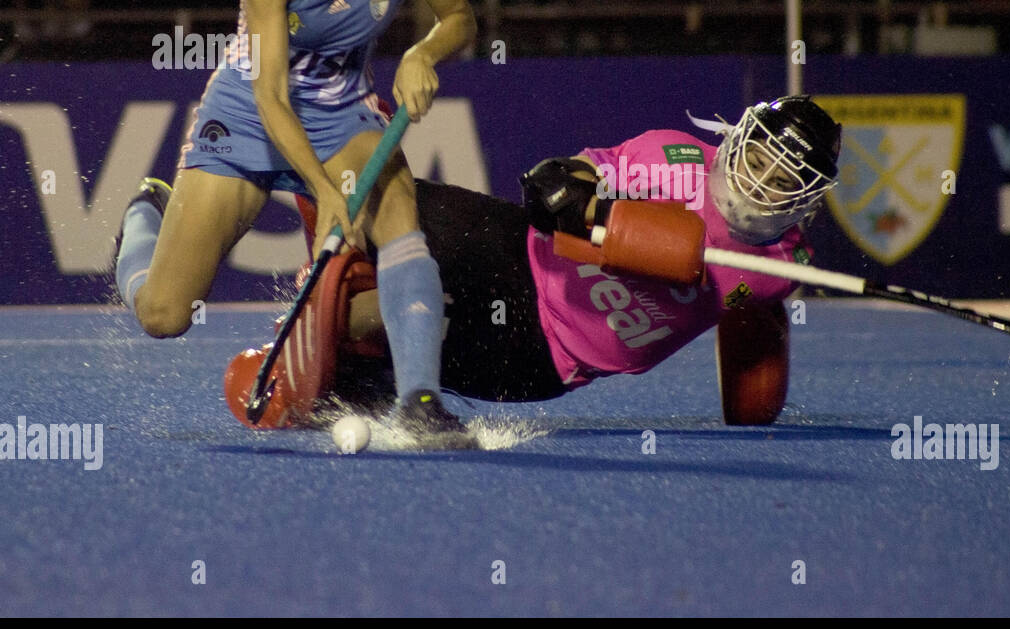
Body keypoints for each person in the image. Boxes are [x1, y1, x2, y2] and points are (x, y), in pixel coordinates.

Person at [112, 0, 478, 446]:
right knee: (164, 314)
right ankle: (145, 215)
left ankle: (420, 402)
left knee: (396, 202)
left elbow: (460, 19)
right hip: (250, 113)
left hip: (342, 112)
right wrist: (326, 189)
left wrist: (424, 52)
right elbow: (273, 96)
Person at [222, 96, 843, 432]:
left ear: (804, 202)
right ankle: (304, 233)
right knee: (382, 188)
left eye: (783, 181)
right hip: (513, 248)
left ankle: (332, 337)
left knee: (370, 338)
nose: (760, 183)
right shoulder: (670, 156)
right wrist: (567, 191)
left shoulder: (777, 270)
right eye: (759, 159)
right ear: (739, 138)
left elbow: (754, 348)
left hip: (544, 351)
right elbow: (577, 171)